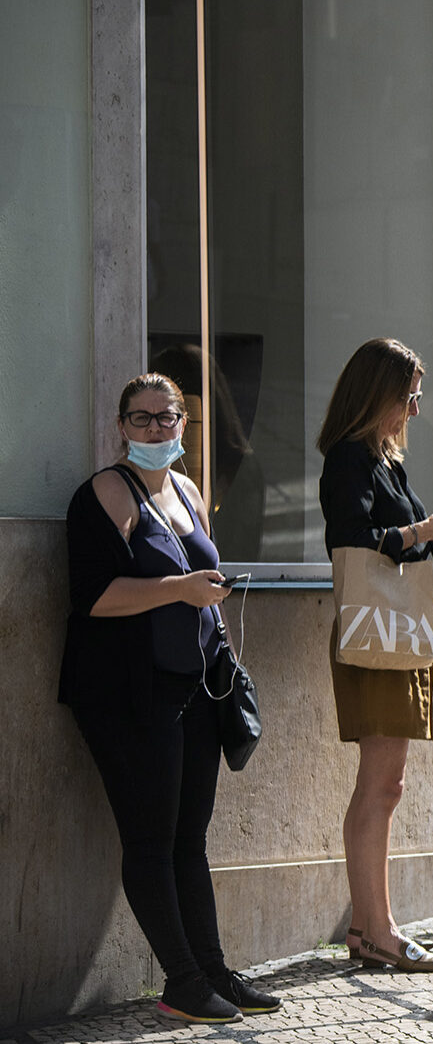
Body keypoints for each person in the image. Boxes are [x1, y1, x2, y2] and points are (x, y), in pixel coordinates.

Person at [61, 373, 280, 1024]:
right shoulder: (103, 492)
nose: (157, 429)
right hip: (129, 693)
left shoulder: (188, 489)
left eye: (168, 417)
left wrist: (225, 655)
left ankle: (212, 969)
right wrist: (179, 589)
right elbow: (95, 597)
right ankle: (182, 980)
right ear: (121, 426)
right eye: (142, 418)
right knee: (151, 839)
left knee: (190, 838)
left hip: (199, 688)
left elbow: (203, 585)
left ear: (185, 422)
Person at [318, 338, 433, 972]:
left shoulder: (383, 460)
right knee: (381, 785)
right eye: (409, 396)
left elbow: (396, 541)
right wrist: (427, 529)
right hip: (377, 637)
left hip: (397, 636)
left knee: (386, 785)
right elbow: (352, 543)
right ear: (378, 394)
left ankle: (368, 929)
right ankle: (379, 929)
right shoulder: (348, 460)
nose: (416, 409)